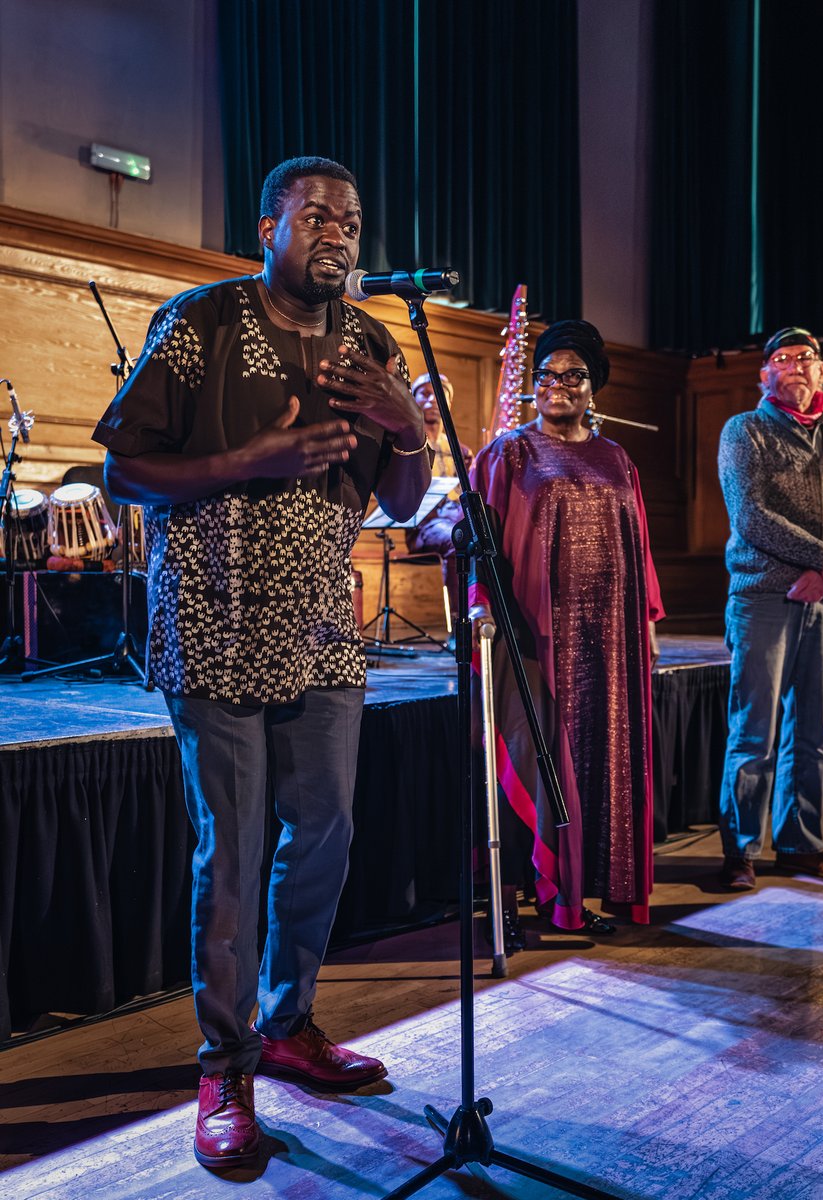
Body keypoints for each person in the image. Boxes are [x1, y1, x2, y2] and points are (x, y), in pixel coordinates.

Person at [93, 156, 431, 1168]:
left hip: (324, 624)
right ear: (269, 228)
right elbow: (122, 464)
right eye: (315, 215)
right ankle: (224, 1065)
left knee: (322, 835)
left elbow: (406, 502)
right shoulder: (199, 324)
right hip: (214, 620)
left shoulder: (369, 340)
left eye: (351, 220)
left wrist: (405, 421)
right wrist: (253, 461)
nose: (336, 233)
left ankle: (287, 1025)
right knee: (230, 853)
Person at [469, 319, 664, 940]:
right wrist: (482, 605)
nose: (558, 386)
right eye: (547, 376)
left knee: (600, 757)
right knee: (537, 751)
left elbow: (641, 547)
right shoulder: (511, 453)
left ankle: (591, 889)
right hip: (534, 632)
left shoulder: (616, 458)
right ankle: (531, 892)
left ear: (592, 386)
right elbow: (482, 541)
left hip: (609, 638)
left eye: (573, 376)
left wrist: (649, 623)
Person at [717, 326, 823, 892]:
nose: (793, 365)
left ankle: (800, 846)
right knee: (753, 732)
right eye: (780, 358)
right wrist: (821, 561)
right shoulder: (745, 430)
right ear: (765, 375)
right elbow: (750, 515)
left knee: (812, 732)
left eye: (804, 357)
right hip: (763, 597)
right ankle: (739, 851)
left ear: (821, 370)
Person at [403, 372, 473, 622]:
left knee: (484, 539)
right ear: (414, 399)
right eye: (425, 393)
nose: (432, 399)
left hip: (455, 519)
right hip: (424, 526)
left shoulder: (461, 451)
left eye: (439, 394)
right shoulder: (408, 444)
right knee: (457, 540)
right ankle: (458, 622)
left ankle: (483, 617)